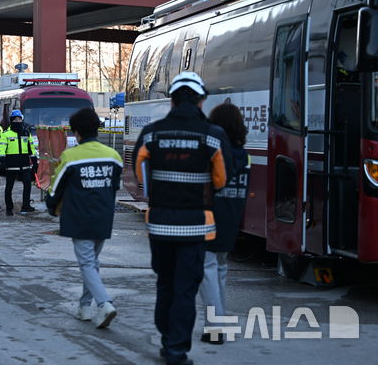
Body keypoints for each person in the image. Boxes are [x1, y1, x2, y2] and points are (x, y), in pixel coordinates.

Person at [133, 72, 232, 365]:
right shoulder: (213, 135)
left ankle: (167, 341)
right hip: (195, 227)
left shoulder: (151, 134)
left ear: (172, 101)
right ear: (201, 101)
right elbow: (221, 180)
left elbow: (140, 176)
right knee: (185, 289)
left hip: (160, 225)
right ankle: (177, 350)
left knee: (165, 284)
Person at [46, 108, 123, 329]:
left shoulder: (70, 157)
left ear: (76, 132)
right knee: (92, 264)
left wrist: (52, 208)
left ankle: (104, 303)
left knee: (87, 264)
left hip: (79, 218)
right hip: (103, 217)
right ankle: (84, 307)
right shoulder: (113, 156)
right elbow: (115, 187)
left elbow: (55, 190)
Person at [200, 102, 250, 345]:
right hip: (232, 216)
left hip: (212, 216)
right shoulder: (245, 155)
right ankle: (219, 320)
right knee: (219, 269)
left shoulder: (215, 153)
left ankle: (215, 326)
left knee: (206, 270)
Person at [0, 110, 38, 216]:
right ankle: (9, 208)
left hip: (24, 165)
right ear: (12, 121)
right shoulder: (6, 134)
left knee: (27, 185)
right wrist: (3, 162)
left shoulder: (26, 133)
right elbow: (1, 149)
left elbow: (31, 149)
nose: (18, 121)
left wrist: (34, 162)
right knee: (9, 188)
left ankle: (26, 206)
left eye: (19, 119)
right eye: (15, 119)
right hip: (11, 166)